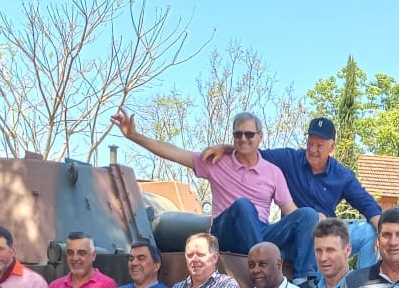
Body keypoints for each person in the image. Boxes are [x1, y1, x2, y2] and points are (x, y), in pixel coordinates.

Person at [111, 108, 317, 279]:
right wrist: (134, 135)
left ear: (260, 137)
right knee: (243, 205)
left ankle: (304, 278)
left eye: (249, 134)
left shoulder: (273, 172)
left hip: (259, 231)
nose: (243, 139)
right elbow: (174, 152)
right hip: (226, 230)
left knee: (308, 214)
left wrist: (320, 226)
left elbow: (291, 211)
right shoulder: (216, 161)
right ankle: (260, 268)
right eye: (238, 134)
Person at [203, 117, 383, 273]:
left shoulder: (342, 175)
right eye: (310, 143)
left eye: (319, 145)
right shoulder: (289, 159)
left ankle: (365, 287)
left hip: (327, 233)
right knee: (311, 228)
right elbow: (252, 151)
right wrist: (225, 148)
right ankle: (308, 279)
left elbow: (367, 204)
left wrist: (383, 232)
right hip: (295, 238)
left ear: (332, 147)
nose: (312, 150)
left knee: (369, 232)